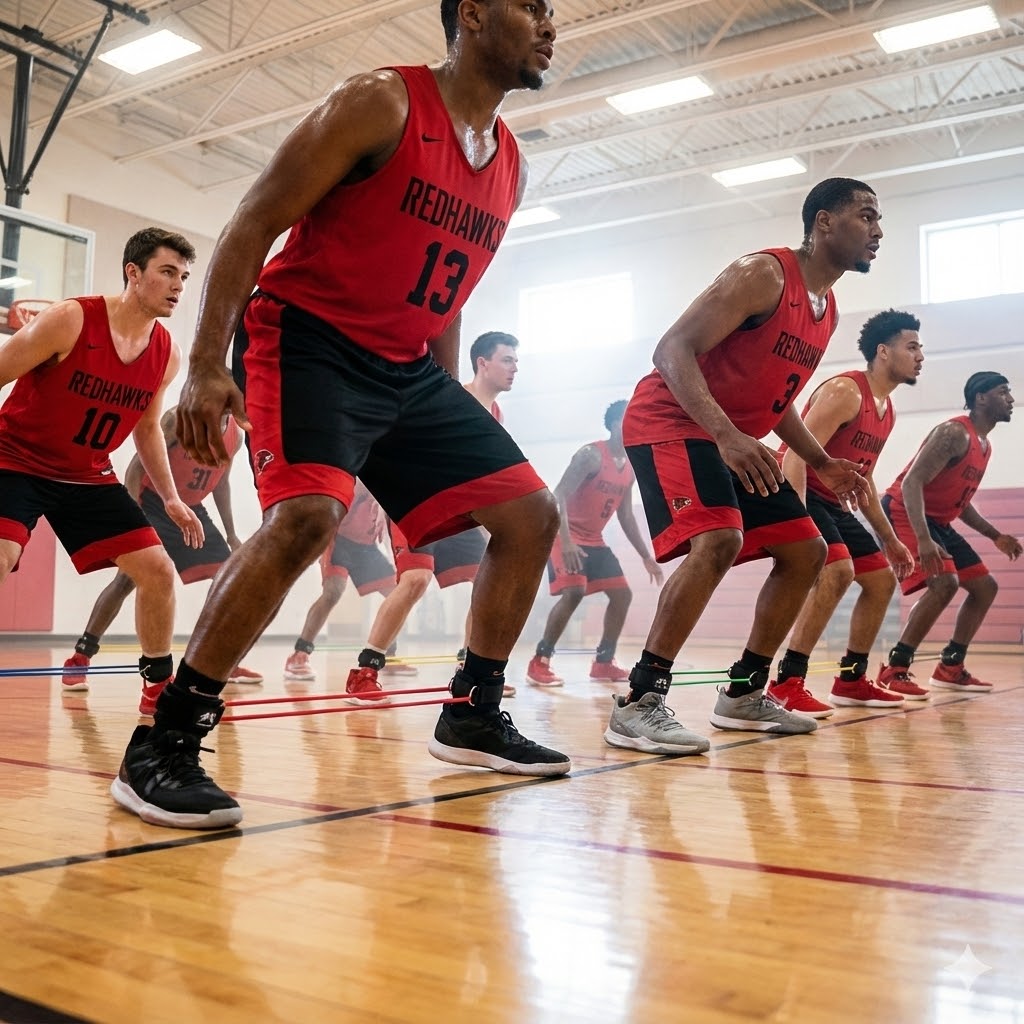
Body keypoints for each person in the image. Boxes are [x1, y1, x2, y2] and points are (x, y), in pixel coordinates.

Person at [110, 0, 568, 832]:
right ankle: (162, 744)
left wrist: (444, 398)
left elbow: (451, 290)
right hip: (308, 341)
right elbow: (253, 220)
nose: (548, 22)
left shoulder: (509, 163)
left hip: (407, 368)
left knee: (532, 514)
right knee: (306, 518)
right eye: (529, 5)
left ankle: (470, 712)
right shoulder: (382, 100)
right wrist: (209, 362)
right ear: (470, 13)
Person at [606, 177, 876, 755]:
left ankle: (745, 691)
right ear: (824, 221)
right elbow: (670, 349)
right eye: (866, 216)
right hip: (670, 422)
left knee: (808, 551)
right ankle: (640, 701)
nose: (877, 231)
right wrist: (726, 434)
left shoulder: (825, 312)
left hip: (731, 436)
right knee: (719, 539)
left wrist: (822, 463)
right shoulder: (764, 274)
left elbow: (774, 405)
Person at [0, 228, 202, 715]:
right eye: (168, 272)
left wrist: (171, 497)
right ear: (133, 273)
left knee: (157, 571)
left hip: (88, 476)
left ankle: (157, 690)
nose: (178, 285)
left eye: (184, 276)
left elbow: (148, 428)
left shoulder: (166, 353)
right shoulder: (71, 319)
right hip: (16, 460)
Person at [344, 331, 521, 704]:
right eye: (507, 360)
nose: (514, 368)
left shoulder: (496, 413)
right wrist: (383, 495)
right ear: (482, 363)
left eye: (516, 361)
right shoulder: (454, 397)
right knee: (416, 580)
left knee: (485, 583)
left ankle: (469, 671)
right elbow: (396, 439)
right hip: (417, 498)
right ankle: (365, 671)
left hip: (459, 508)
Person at [769, 310, 923, 717]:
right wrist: (799, 521)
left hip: (832, 502)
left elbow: (864, 481)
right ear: (883, 352)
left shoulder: (886, 411)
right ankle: (786, 683)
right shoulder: (845, 391)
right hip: (797, 491)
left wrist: (890, 540)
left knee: (879, 579)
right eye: (912, 346)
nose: (920, 355)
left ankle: (851, 679)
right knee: (838, 571)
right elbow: (796, 457)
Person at [61, 404, 263, 692]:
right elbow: (136, 465)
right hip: (154, 502)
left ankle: (218, 662)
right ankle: (80, 656)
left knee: (228, 579)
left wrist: (231, 534)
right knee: (127, 580)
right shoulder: (177, 418)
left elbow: (221, 484)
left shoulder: (236, 434)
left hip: (191, 508)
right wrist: (132, 514)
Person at [877, 372, 1020, 692]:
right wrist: (924, 538)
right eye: (1003, 392)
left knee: (985, 587)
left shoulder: (984, 446)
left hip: (938, 520)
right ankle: (895, 669)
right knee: (944, 583)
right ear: (981, 398)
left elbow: (962, 503)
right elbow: (913, 482)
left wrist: (994, 535)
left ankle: (950, 666)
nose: (1011, 399)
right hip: (904, 509)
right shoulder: (954, 432)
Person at [526, 400, 663, 686]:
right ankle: (540, 661)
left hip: (594, 540)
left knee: (622, 595)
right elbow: (558, 494)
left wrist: (645, 555)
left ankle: (603, 662)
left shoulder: (630, 466)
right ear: (615, 425)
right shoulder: (590, 455)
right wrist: (565, 542)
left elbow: (625, 514)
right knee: (574, 592)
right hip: (564, 534)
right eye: (631, 420)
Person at [283, 479, 396, 681]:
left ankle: (388, 655)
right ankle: (300, 653)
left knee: (398, 593)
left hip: (367, 545)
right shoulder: (362, 477)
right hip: (339, 539)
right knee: (333, 592)